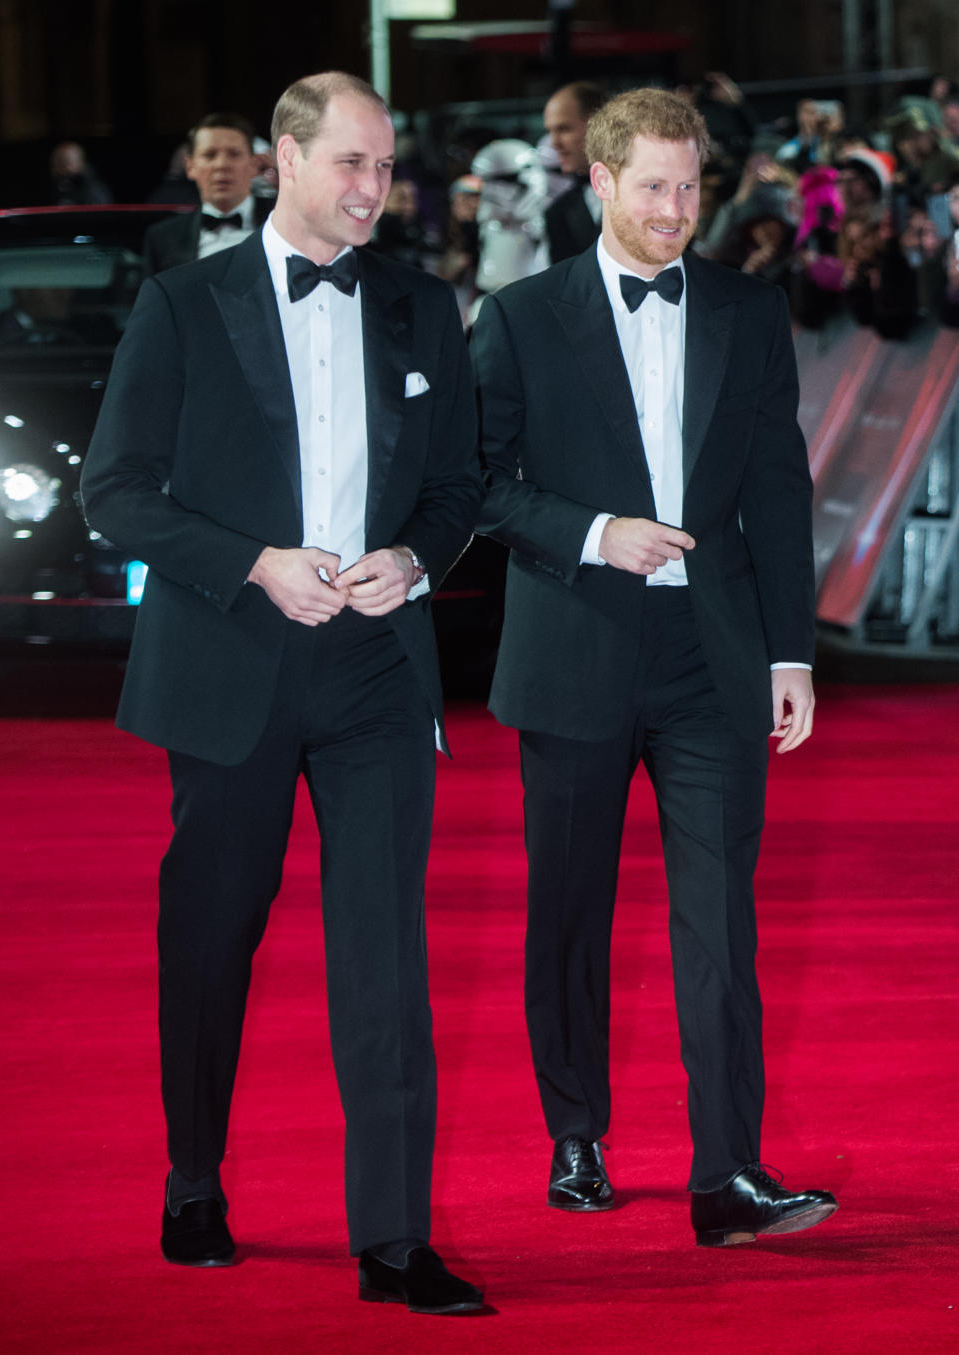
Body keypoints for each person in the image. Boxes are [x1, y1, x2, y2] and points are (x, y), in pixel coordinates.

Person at [81, 70, 484, 1315]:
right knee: (211, 940)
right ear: (284, 160)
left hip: (374, 671)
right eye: (351, 164)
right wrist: (255, 563)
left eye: (386, 168)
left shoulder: (423, 306)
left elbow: (459, 488)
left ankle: (395, 1237)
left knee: (385, 957)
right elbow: (118, 492)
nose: (374, 190)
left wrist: (411, 558)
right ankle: (193, 1177)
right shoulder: (184, 301)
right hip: (227, 669)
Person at [470, 86, 838, 1247]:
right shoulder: (522, 315)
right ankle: (576, 1132)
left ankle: (728, 1170)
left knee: (721, 920)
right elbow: (477, 481)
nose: (677, 210)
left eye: (692, 188)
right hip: (575, 639)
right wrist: (594, 530)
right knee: (569, 909)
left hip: (713, 655)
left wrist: (792, 649)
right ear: (602, 184)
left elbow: (780, 488)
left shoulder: (747, 308)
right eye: (656, 188)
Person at [142, 113, 269, 274]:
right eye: (209, 155)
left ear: (254, 164)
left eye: (234, 154)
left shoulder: (286, 224)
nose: (221, 165)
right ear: (190, 167)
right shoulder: (162, 238)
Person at [542, 82, 606, 262]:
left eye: (564, 129)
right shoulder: (557, 212)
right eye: (550, 131)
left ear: (599, 124)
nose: (554, 143)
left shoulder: (651, 191)